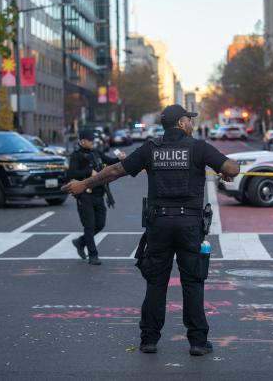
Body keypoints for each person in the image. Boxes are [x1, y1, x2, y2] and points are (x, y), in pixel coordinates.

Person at [62, 105, 240, 356]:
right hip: (189, 225)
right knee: (193, 281)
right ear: (180, 123)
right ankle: (198, 342)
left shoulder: (151, 149)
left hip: (159, 225)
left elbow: (115, 171)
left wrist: (84, 184)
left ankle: (149, 339)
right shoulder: (198, 148)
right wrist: (227, 171)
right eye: (189, 120)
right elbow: (231, 169)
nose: (191, 124)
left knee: (156, 282)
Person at [67, 130, 126, 265]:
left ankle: (80, 242)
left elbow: (109, 162)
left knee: (100, 224)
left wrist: (120, 159)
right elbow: (71, 173)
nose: (93, 142)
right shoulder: (76, 156)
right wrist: (89, 172)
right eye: (91, 140)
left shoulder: (96, 153)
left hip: (99, 194)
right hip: (85, 195)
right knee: (89, 226)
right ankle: (93, 255)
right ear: (83, 141)